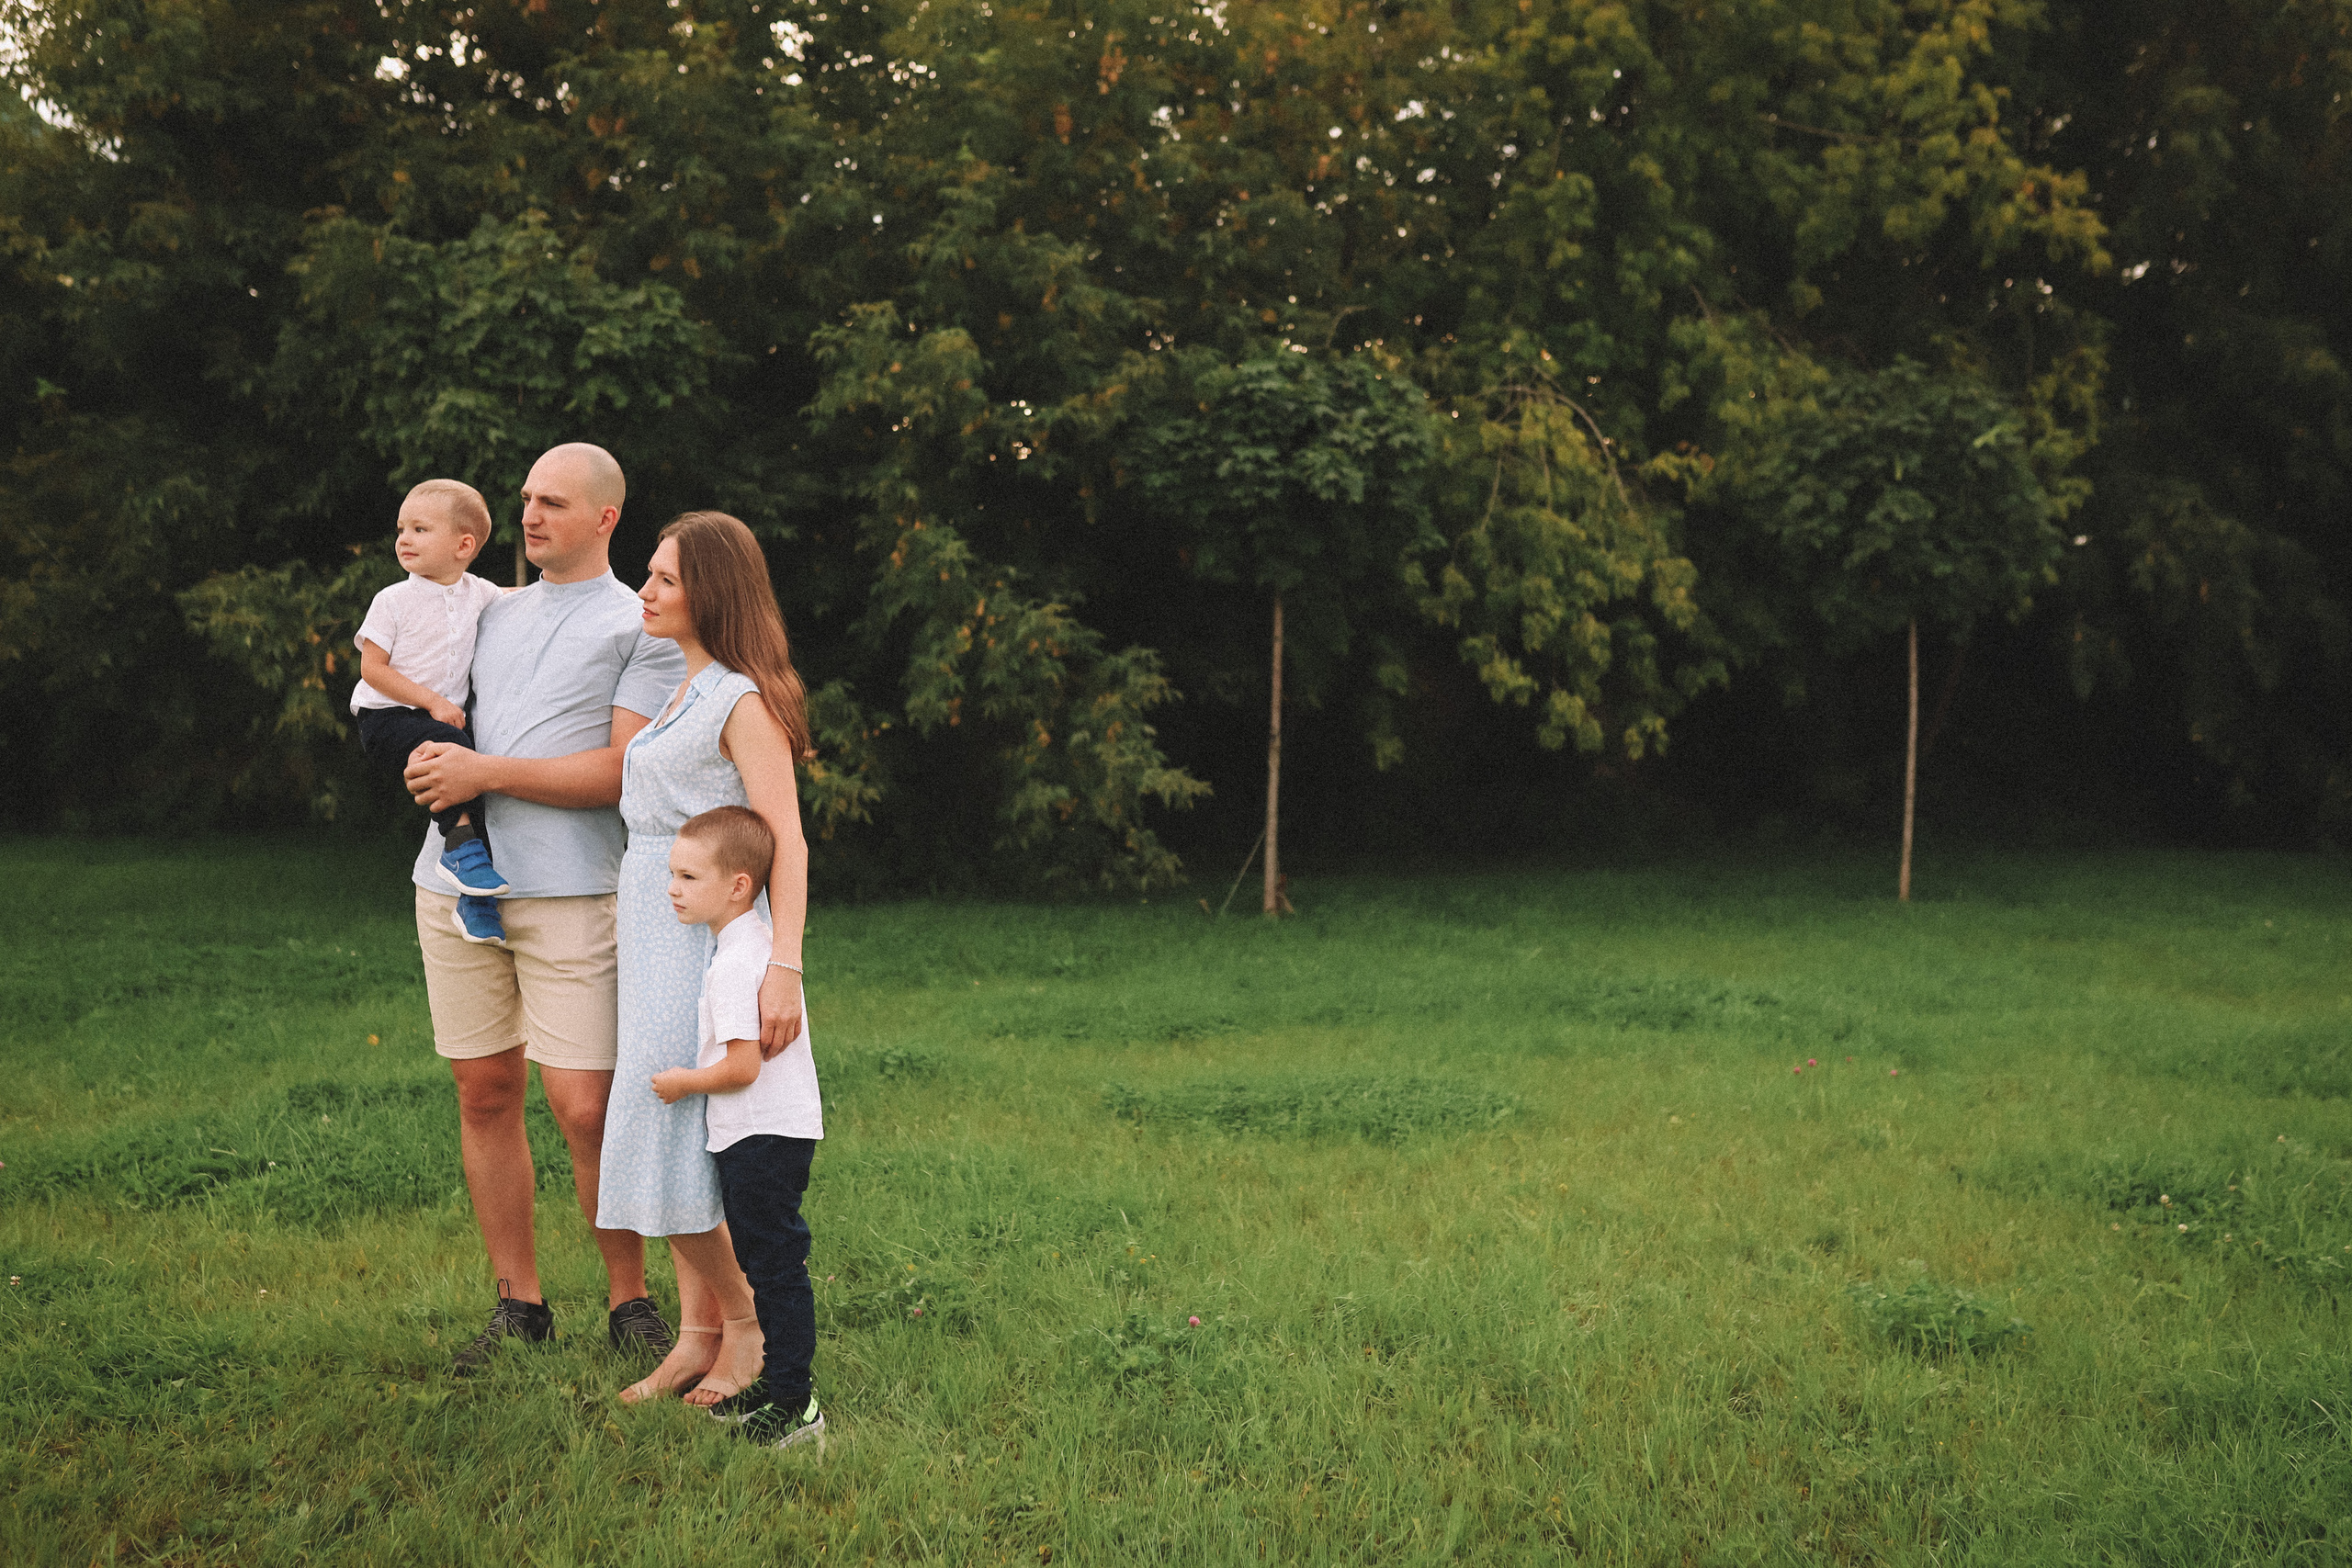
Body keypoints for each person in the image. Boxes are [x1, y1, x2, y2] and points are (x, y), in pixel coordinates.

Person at [400, 442, 689, 1374]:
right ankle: (519, 1304)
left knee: (585, 1105)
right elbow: (413, 690)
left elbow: (618, 773)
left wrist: (486, 771)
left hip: (571, 891)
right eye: (525, 499)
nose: (528, 516)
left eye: (552, 502)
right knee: (484, 1092)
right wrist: (418, 750)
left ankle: (629, 1300)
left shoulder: (637, 625)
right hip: (452, 883)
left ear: (606, 517)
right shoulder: (486, 609)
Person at [594, 510, 813, 1412]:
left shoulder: (739, 700)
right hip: (653, 922)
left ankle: (747, 1329)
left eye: (665, 580)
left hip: (706, 942)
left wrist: (783, 967)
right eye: (648, 575)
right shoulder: (683, 688)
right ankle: (696, 1337)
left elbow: (786, 842)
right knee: (668, 1132)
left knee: (678, 1127)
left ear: (711, 594)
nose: (645, 591)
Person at [650, 805, 826, 1450]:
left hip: (761, 1134)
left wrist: (681, 1082)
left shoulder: (732, 963)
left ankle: (796, 1402)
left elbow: (742, 1064)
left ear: (738, 885)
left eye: (689, 876)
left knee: (775, 1267)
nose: (673, 887)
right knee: (765, 1261)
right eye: (672, 873)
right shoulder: (751, 945)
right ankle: (778, 1384)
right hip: (770, 1131)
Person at [351, 479, 514, 941]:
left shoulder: (476, 592)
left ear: (464, 545)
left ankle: (475, 903)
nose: (404, 538)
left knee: (473, 778)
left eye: (420, 529)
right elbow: (372, 670)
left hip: (434, 722)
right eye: (402, 528)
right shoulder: (393, 600)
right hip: (386, 717)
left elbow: (518, 598)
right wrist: (433, 701)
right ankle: (459, 849)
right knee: (455, 751)